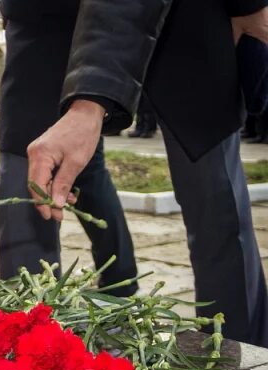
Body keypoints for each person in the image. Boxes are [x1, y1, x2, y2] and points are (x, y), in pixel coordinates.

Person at [18, 0, 268, 347]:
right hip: (90, 31)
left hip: (196, 31)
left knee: (218, 212)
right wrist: (89, 101)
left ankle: (242, 359)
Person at [0, 2, 137, 297]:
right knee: (88, 171)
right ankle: (120, 278)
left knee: (28, 174)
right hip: (74, 48)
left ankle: (34, 305)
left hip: (43, 48)